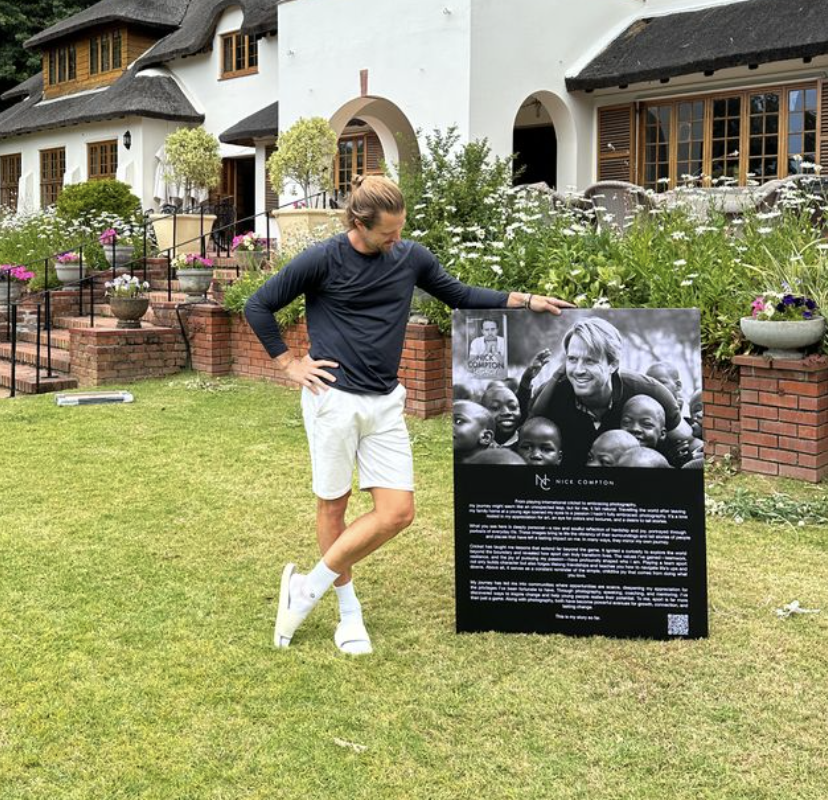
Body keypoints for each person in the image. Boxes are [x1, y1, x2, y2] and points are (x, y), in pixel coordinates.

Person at [244, 174, 572, 655]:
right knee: (333, 504)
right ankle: (348, 612)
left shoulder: (410, 257)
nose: (397, 241)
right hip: (333, 401)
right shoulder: (323, 259)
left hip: (385, 401)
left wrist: (525, 301)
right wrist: (289, 364)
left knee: (397, 513)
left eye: (401, 230)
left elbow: (458, 294)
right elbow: (259, 305)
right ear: (359, 223)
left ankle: (305, 588)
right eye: (388, 234)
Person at [525, 317, 682, 470]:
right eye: (572, 359)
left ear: (613, 364)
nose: (579, 370)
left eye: (590, 361)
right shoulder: (550, 395)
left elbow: (686, 443)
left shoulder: (651, 392)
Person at [480, 382, 522, 448]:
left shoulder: (525, 444)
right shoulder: (476, 447)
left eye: (512, 407)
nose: (506, 412)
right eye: (495, 408)